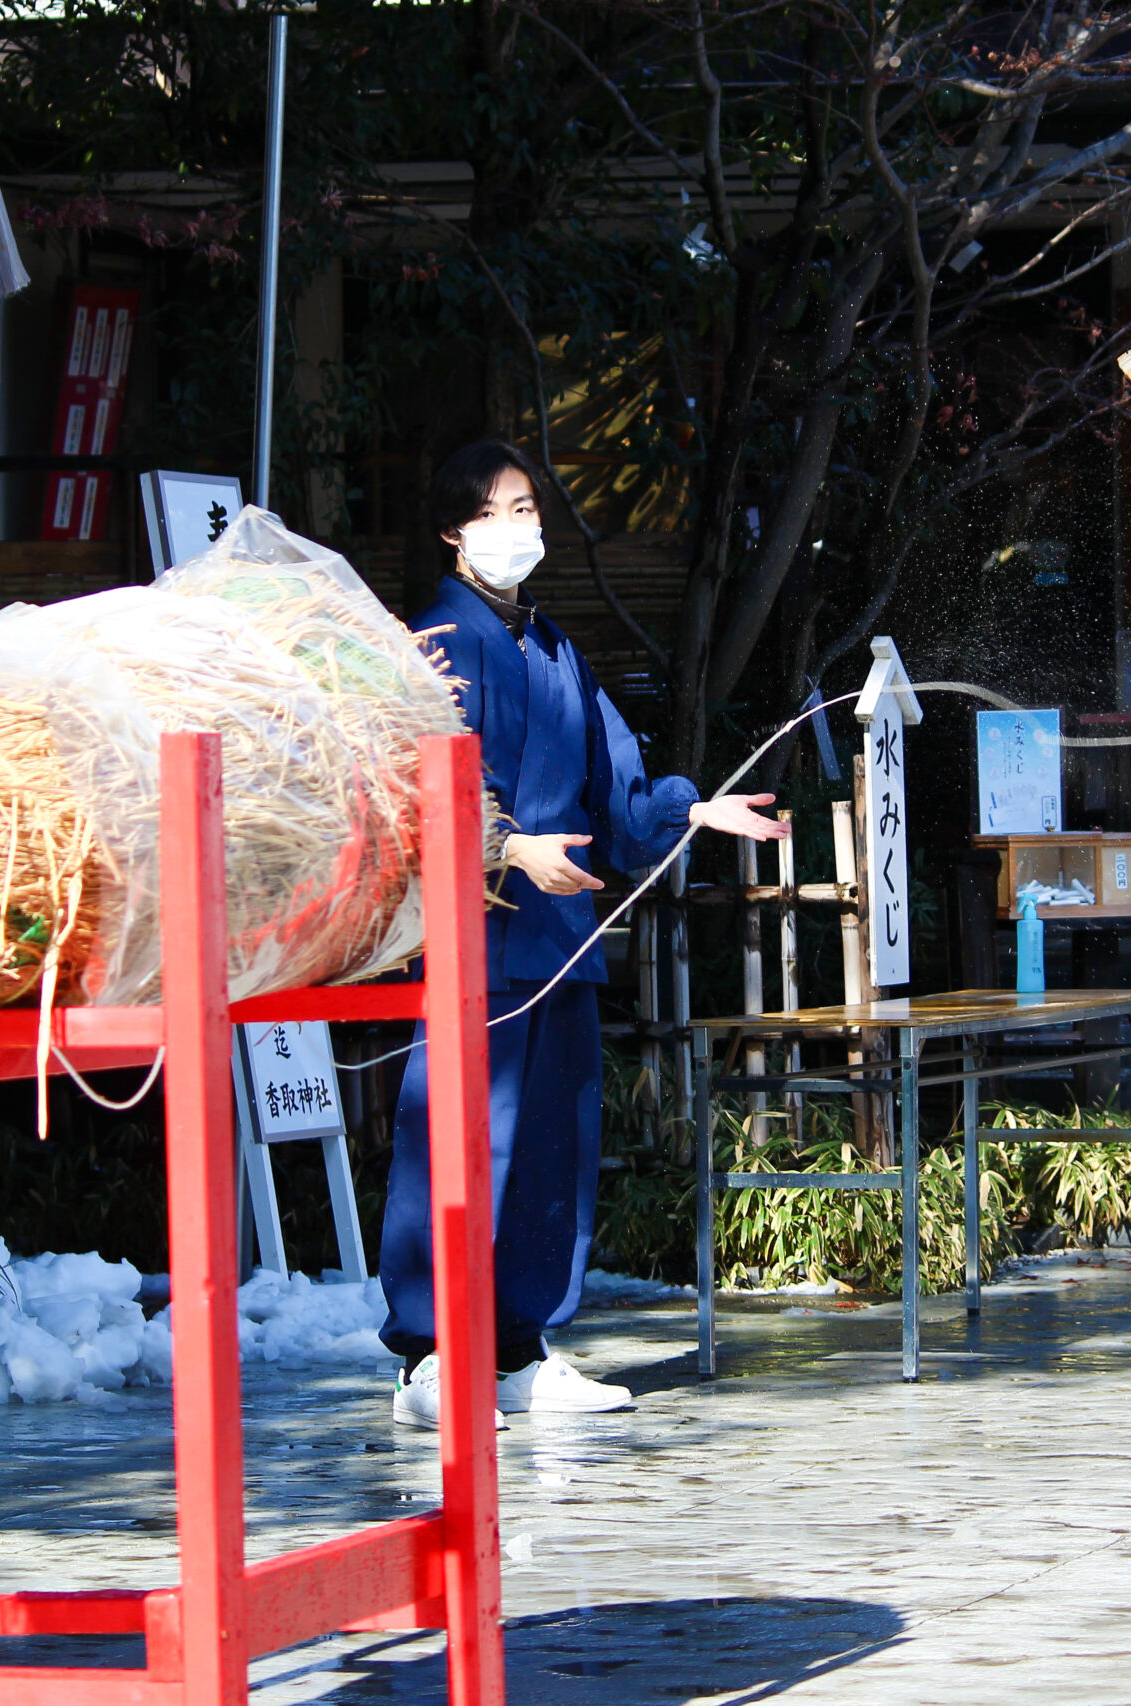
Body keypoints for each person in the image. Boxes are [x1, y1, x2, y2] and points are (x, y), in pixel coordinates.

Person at [381, 439, 788, 1428]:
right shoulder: (434, 636)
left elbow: (619, 787)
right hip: (472, 934)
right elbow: (425, 776)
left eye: (529, 509)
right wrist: (510, 849)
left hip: (560, 935)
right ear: (452, 527)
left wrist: (694, 811)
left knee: (553, 1141)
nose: (522, 527)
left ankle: (520, 1346)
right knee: (458, 1137)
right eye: (500, 510)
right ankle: (430, 1357)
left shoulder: (556, 646)